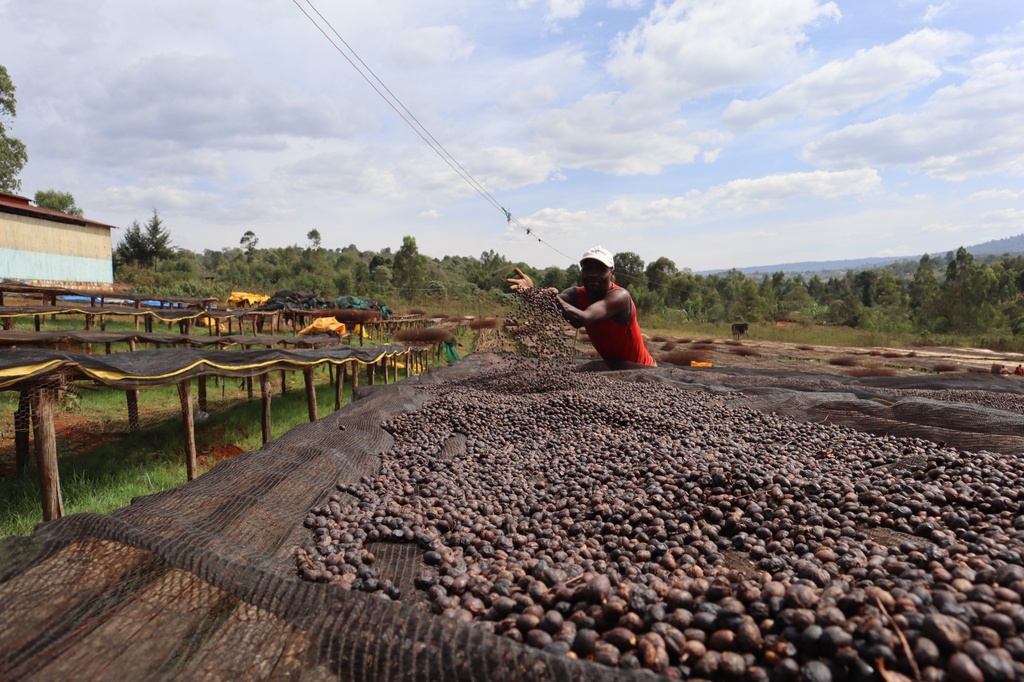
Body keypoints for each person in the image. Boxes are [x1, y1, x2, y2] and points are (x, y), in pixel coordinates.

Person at [508, 246, 655, 369]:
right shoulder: (576, 294)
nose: (592, 274)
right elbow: (548, 305)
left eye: (600, 270)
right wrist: (531, 292)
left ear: (612, 273)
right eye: (587, 269)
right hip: (612, 366)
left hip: (641, 370)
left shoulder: (620, 297)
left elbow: (582, 318)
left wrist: (555, 299)